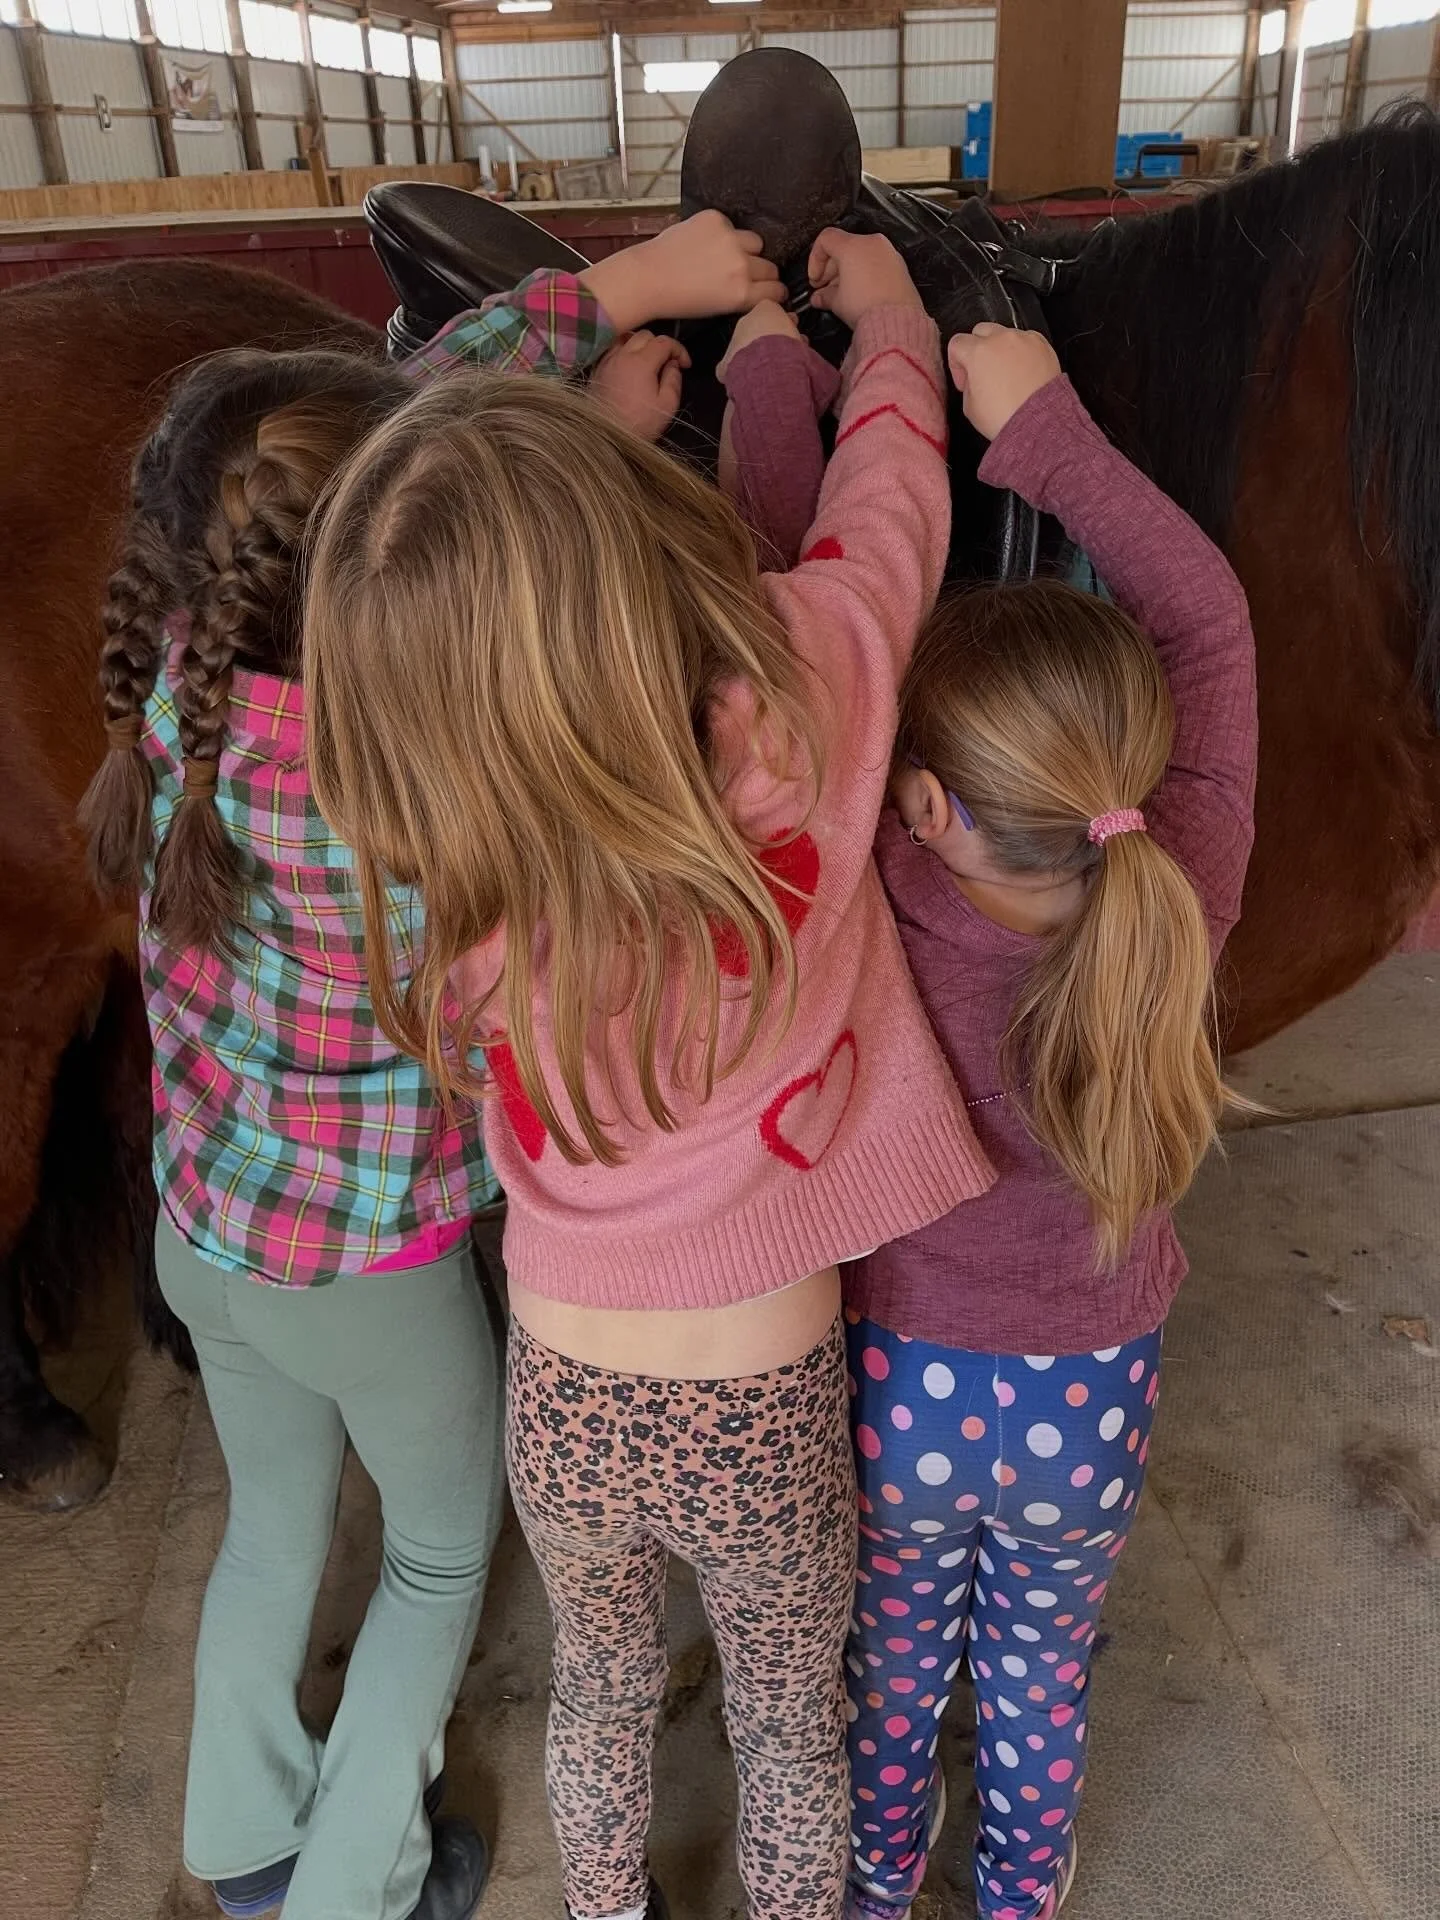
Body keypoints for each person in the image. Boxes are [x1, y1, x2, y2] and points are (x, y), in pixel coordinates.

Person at [76, 216, 786, 1920]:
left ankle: (242, 1842)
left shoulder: (186, 672)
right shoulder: (418, 793)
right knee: (437, 1556)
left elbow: (373, 429)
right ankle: (354, 1893)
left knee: (270, 1529)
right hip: (370, 1275)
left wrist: (595, 317)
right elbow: (401, 447)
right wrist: (607, 422)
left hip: (207, 1236)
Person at [302, 230, 998, 1920]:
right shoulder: (810, 684)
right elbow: (892, 501)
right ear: (629, 551)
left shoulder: (435, 831)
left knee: (599, 1697)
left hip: (566, 1384)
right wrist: (887, 327)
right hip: (760, 1391)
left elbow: (390, 527)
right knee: (785, 1724)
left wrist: (584, 377)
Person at [838, 324, 1257, 1920]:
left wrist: (787, 379)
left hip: (898, 1385)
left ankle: (881, 1887)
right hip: (1091, 1391)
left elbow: (822, 646)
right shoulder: (1184, 882)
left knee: (890, 1661)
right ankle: (1018, 1894)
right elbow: (1206, 619)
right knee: (1036, 1670)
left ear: (926, 807)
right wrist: (1049, 426)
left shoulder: (882, 902)